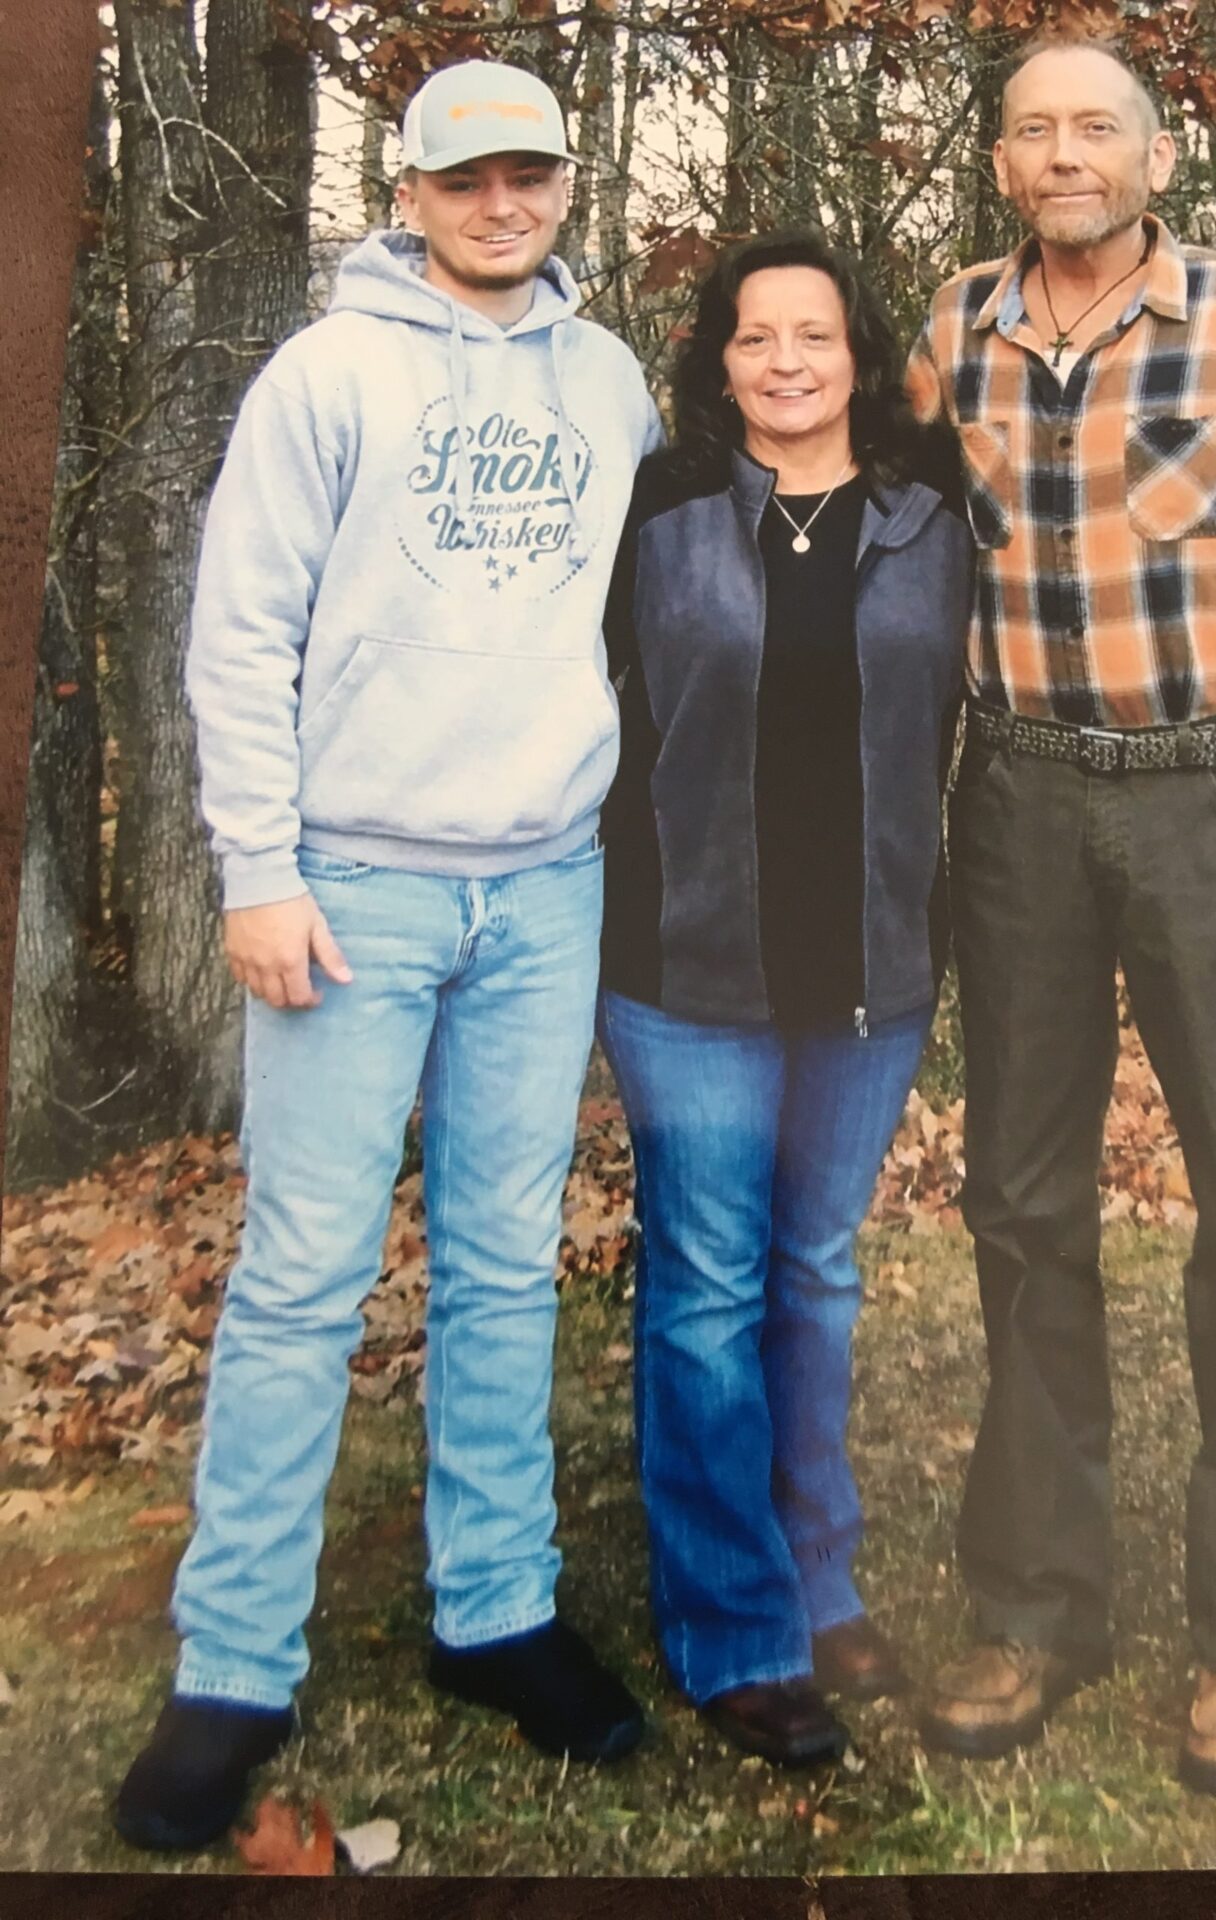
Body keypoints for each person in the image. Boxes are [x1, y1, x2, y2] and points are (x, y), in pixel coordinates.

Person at [115, 59, 662, 1851]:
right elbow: (241, 628)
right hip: (352, 885)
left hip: (544, 884)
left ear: (567, 185)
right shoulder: (328, 372)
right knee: (302, 1277)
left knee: (507, 1262)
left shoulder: (610, 380)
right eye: (466, 178)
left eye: (530, 174)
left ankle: (494, 1613)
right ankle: (232, 1666)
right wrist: (258, 869)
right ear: (411, 192)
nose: (502, 203)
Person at [905, 35, 1216, 1797]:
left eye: (1097, 127)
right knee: (1024, 1205)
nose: (1067, 154)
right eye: (1035, 129)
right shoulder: (951, 326)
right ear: (999, 163)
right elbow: (899, 552)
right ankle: (1040, 1602)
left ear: (1155, 154)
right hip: (1020, 804)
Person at [598, 232, 973, 1766]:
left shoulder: (936, 513)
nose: (787, 361)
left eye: (814, 332)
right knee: (705, 1287)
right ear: (719, 359)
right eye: (757, 337)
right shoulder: (657, 511)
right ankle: (734, 1626)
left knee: (813, 1273)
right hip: (687, 962)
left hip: (870, 966)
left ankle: (821, 1577)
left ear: (860, 354)